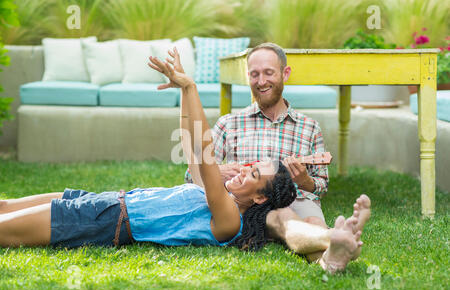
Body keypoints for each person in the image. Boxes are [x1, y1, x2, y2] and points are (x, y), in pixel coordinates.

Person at [0, 48, 370, 273]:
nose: (243, 168)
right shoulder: (229, 199)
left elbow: (204, 155)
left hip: (106, 220)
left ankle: (329, 247)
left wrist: (192, 87)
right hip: (109, 201)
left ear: (259, 198)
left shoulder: (228, 219)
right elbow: (193, 143)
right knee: (4, 206)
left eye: (253, 172)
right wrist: (182, 90)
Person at [184, 42, 371, 264]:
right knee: (288, 220)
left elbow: (321, 186)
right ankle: (339, 239)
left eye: (268, 73)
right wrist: (219, 170)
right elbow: (192, 176)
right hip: (247, 204)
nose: (261, 82)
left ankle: (331, 259)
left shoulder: (309, 127)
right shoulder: (229, 123)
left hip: (295, 198)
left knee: (312, 220)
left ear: (285, 73)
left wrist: (304, 180)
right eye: (254, 75)